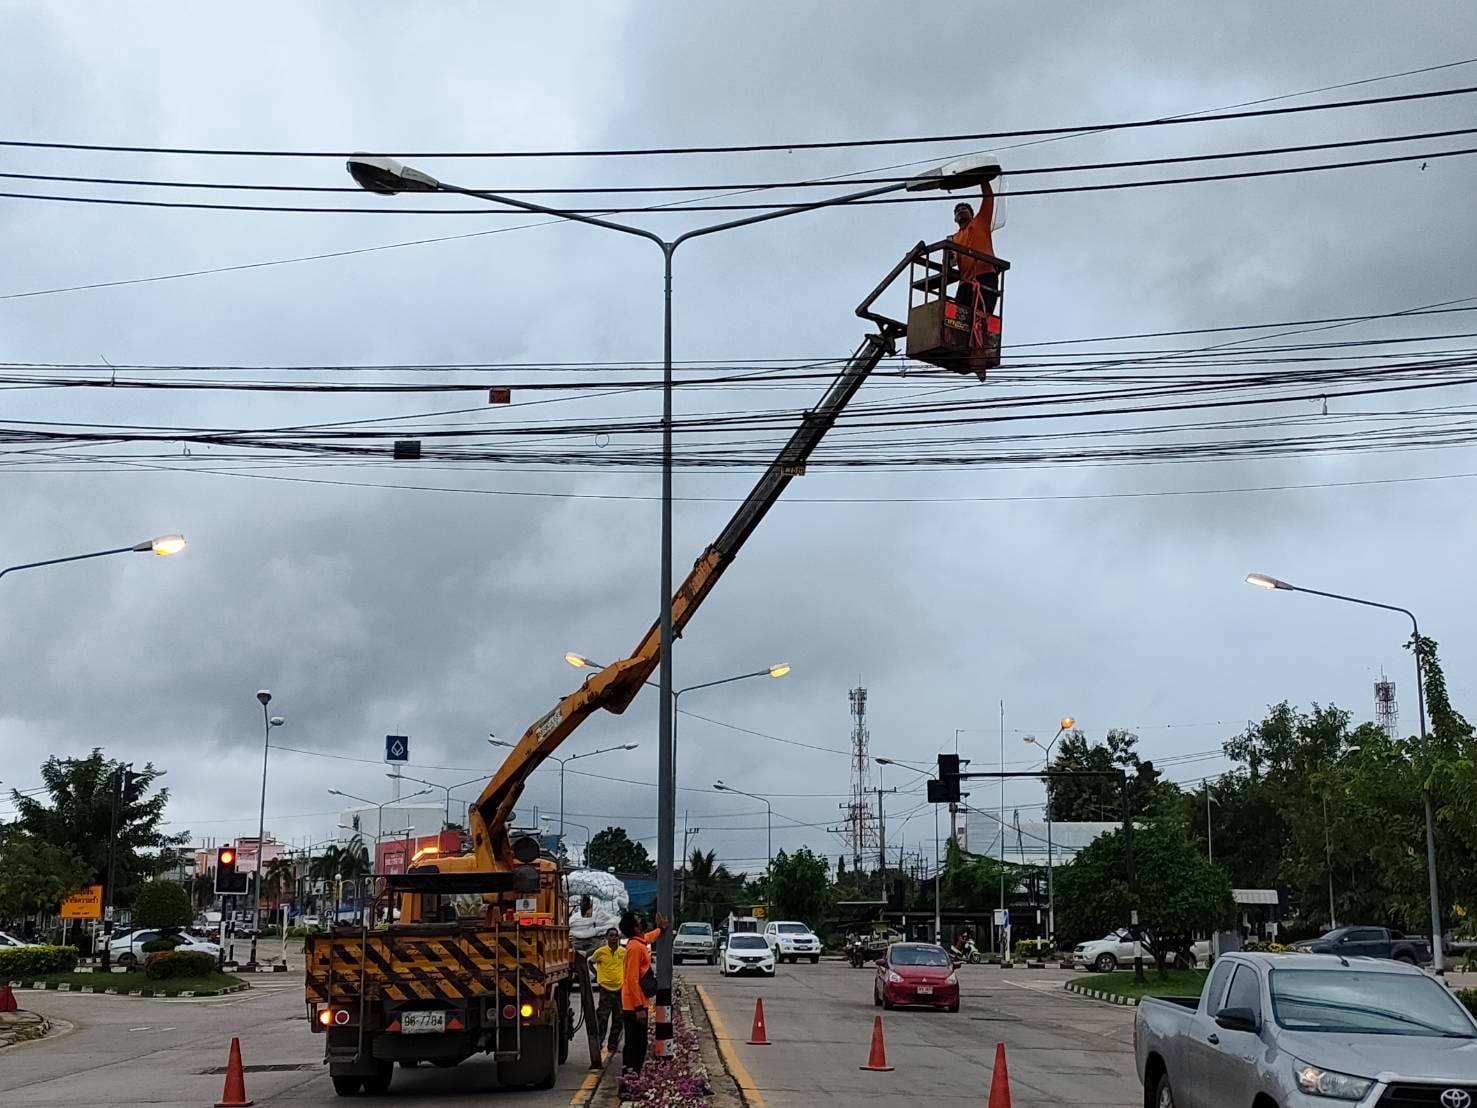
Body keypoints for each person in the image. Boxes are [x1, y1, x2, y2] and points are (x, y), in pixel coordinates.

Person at [618, 909, 670, 1080]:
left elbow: (648, 938)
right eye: (638, 919)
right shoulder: (635, 948)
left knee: (639, 1043)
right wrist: (638, 1007)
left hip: (637, 1003)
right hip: (634, 1005)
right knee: (635, 1044)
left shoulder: (638, 943)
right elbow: (631, 980)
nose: (641, 919)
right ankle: (629, 1078)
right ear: (636, 928)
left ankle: (632, 1076)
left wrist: (660, 930)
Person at [950, 179, 1000, 348]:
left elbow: (988, 197)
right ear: (955, 218)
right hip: (965, 282)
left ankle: (981, 348)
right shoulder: (955, 238)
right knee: (959, 319)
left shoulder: (981, 222)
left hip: (986, 276)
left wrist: (982, 179)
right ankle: (960, 347)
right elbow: (951, 263)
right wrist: (947, 256)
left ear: (972, 214)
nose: (960, 211)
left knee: (982, 317)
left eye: (964, 209)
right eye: (957, 210)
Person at [589, 926, 626, 1055]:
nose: (614, 938)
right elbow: (590, 962)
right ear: (606, 938)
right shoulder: (601, 952)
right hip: (605, 989)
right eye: (611, 935)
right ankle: (599, 1042)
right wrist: (597, 975)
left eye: (616, 935)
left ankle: (612, 1045)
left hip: (619, 989)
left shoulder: (623, 952)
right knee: (602, 1018)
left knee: (618, 1018)